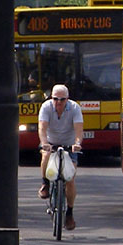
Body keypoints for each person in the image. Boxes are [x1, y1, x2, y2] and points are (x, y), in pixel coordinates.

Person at [37, 84, 84, 231]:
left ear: (67, 99)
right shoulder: (46, 107)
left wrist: (77, 144)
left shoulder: (75, 108)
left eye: (62, 100)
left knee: (70, 178)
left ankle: (69, 213)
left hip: (69, 145)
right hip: (51, 143)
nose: (58, 102)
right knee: (45, 155)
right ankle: (45, 184)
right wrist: (44, 143)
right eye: (55, 99)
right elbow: (42, 128)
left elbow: (78, 130)